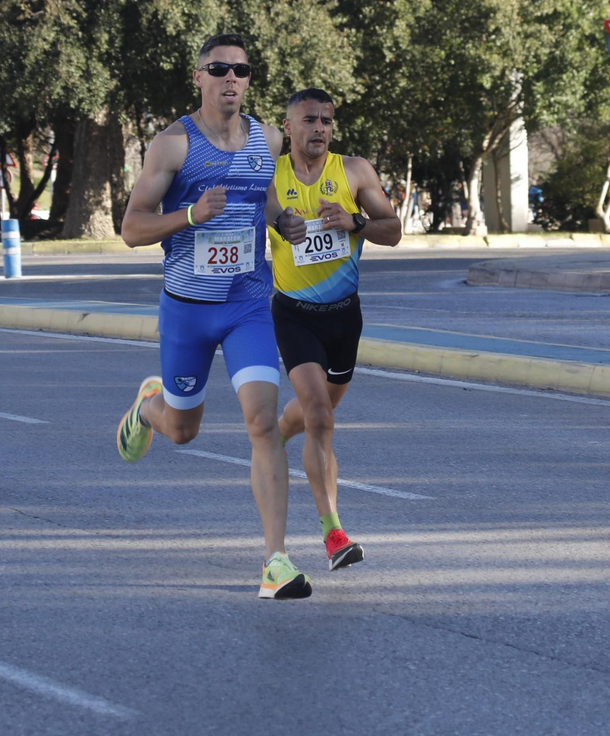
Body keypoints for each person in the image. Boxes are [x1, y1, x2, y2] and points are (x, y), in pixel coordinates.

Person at [113, 33, 308, 600]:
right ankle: (148, 410)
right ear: (197, 77)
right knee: (183, 431)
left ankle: (275, 562)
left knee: (261, 423)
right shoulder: (172, 146)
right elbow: (131, 229)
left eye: (241, 71)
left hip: (248, 306)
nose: (231, 79)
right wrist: (191, 216)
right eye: (219, 69)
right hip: (188, 311)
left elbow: (265, 199)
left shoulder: (267, 138)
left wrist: (284, 224)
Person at [266, 88, 401, 572]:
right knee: (320, 416)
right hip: (294, 313)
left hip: (345, 316)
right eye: (309, 120)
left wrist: (356, 222)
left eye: (326, 120)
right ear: (289, 127)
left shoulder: (355, 172)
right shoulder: (272, 174)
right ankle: (333, 534)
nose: (319, 127)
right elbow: (262, 215)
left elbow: (394, 229)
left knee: (311, 413)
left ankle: (277, 432)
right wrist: (281, 223)